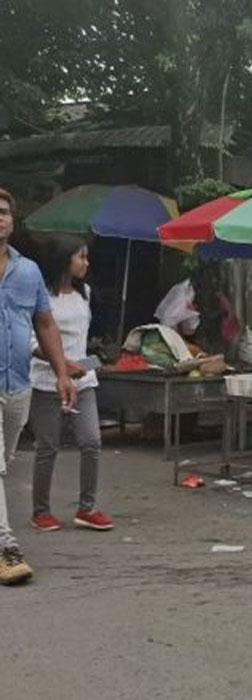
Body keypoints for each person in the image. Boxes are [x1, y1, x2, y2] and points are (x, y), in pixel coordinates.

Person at [0, 189, 77, 586]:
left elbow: (44, 324)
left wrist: (62, 373)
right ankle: (5, 548)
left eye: (4, 212)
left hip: (17, 383)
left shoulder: (27, 271)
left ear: (13, 221)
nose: (0, 218)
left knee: (4, 459)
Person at [29, 237, 112, 533]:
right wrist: (62, 365)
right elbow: (31, 342)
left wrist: (86, 363)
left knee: (92, 442)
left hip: (84, 381)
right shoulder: (41, 296)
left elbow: (82, 335)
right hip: (46, 381)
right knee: (47, 447)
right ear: (65, 259)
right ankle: (41, 511)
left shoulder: (86, 293)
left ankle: (87, 508)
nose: (86, 264)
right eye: (82, 257)